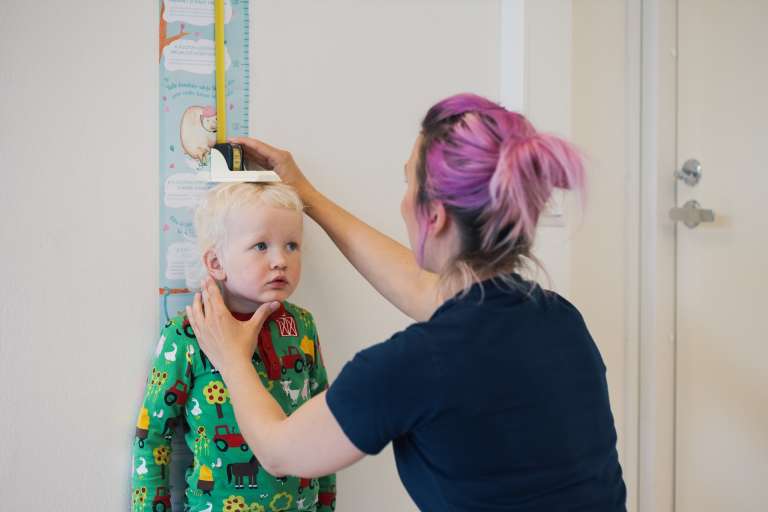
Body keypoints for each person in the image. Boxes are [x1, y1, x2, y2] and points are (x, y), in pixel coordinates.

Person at [188, 93, 627, 511]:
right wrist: (309, 196)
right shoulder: (559, 320)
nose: (402, 202)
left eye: (407, 182)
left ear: (433, 216)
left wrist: (232, 357)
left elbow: (280, 452)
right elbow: (424, 289)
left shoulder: (418, 363)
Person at [131, 182, 336, 512]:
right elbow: (152, 436)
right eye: (260, 246)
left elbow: (324, 423)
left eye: (292, 245)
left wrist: (326, 505)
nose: (280, 260)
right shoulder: (187, 334)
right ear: (216, 262)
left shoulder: (302, 328)